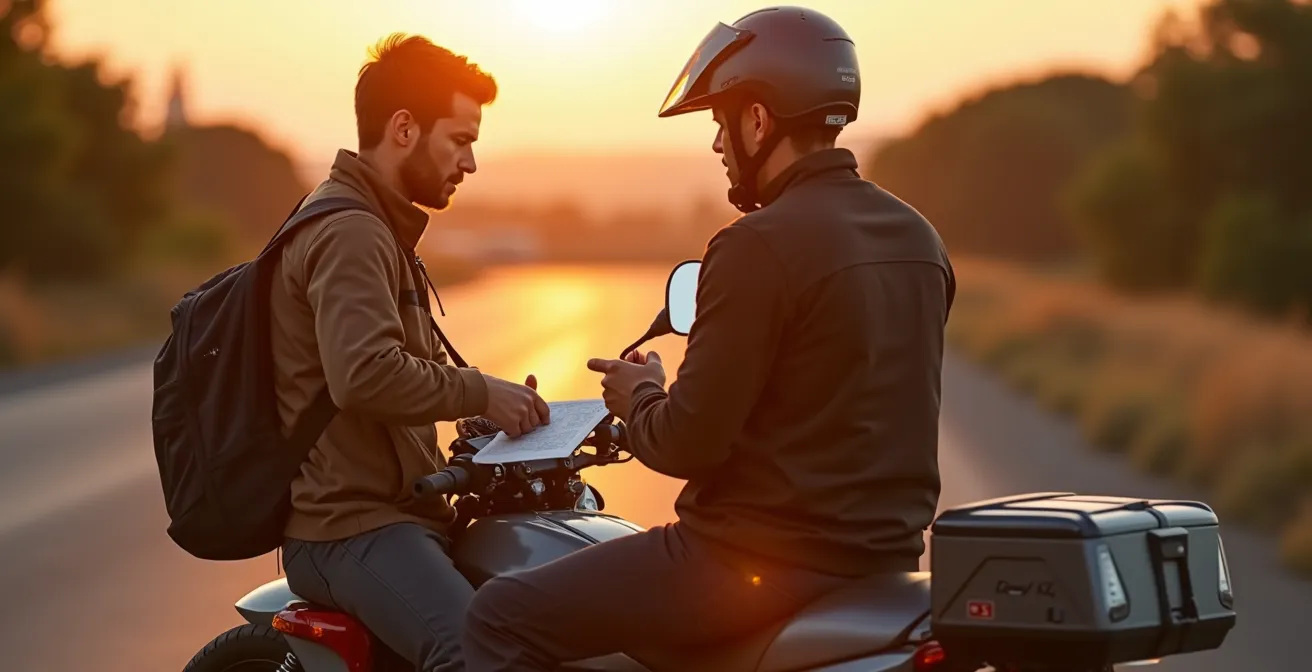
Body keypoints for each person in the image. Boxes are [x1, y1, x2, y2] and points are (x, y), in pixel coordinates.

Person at [462, 6, 956, 671]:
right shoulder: (919, 239)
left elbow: (687, 442)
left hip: (752, 562)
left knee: (496, 615)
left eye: (722, 122)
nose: (719, 144)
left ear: (759, 119)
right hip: (884, 558)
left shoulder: (755, 245)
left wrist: (640, 396)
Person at [271, 34, 549, 671]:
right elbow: (364, 375)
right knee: (475, 651)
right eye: (460, 139)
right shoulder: (352, 231)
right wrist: (482, 391)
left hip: (399, 512)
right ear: (403, 129)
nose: (470, 162)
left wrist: (487, 417)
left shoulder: (376, 224)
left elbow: (395, 373)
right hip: (352, 526)